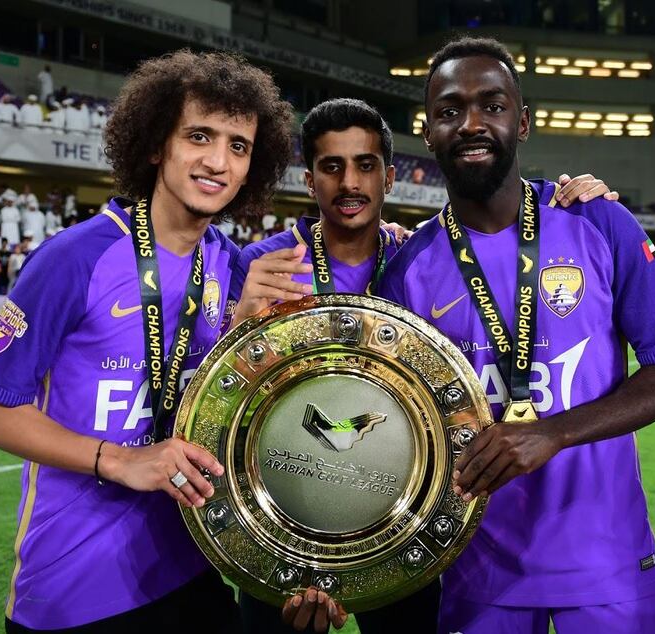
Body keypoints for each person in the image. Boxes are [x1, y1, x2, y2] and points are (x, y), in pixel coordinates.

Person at [232, 97, 618, 634]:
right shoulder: (265, 268)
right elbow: (219, 403)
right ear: (309, 178)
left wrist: (571, 195)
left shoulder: (421, 262)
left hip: (400, 524)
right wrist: (238, 323)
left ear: (389, 178)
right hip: (290, 516)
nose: (350, 183)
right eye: (332, 166)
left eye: (365, 165)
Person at [0, 49, 293, 632]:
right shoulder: (74, 257)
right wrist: (122, 460)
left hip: (191, 566)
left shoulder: (230, 265)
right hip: (76, 584)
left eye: (238, 146)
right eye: (199, 136)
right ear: (157, 143)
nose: (218, 161)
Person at [377, 37, 655, 634]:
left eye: (491, 105)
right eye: (450, 110)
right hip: (478, 575)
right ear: (427, 132)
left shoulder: (597, 221)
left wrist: (552, 433)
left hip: (608, 565)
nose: (471, 123)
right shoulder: (406, 271)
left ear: (521, 121)